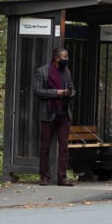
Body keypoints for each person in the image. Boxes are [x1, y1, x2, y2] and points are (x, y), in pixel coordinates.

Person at [33, 47, 75, 186]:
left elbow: (71, 87)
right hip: (48, 113)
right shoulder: (42, 71)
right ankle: (44, 176)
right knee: (45, 147)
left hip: (63, 113)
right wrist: (56, 93)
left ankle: (62, 177)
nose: (66, 60)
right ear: (57, 58)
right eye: (64, 57)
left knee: (64, 147)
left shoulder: (66, 71)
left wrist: (70, 92)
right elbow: (38, 91)